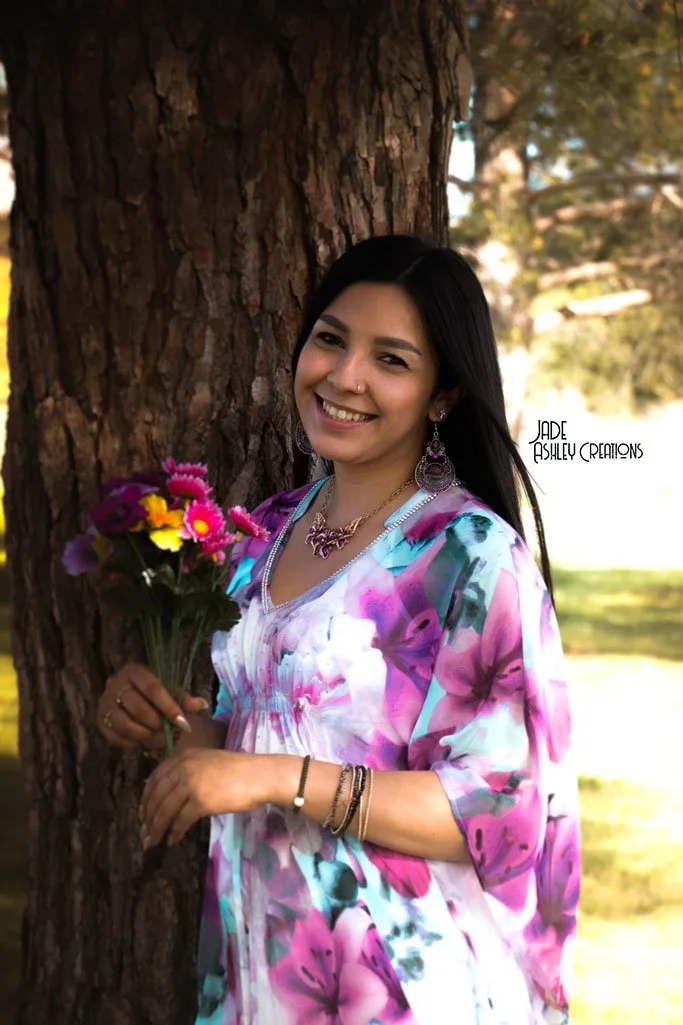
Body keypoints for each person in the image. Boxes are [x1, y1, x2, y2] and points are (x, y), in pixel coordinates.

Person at [98, 234, 580, 1025]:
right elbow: (288, 733)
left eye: (390, 359)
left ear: (442, 394)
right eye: (330, 338)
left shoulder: (465, 553)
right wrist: (181, 730)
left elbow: (498, 807)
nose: (344, 376)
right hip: (267, 965)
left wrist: (271, 775)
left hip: (403, 983)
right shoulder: (263, 533)